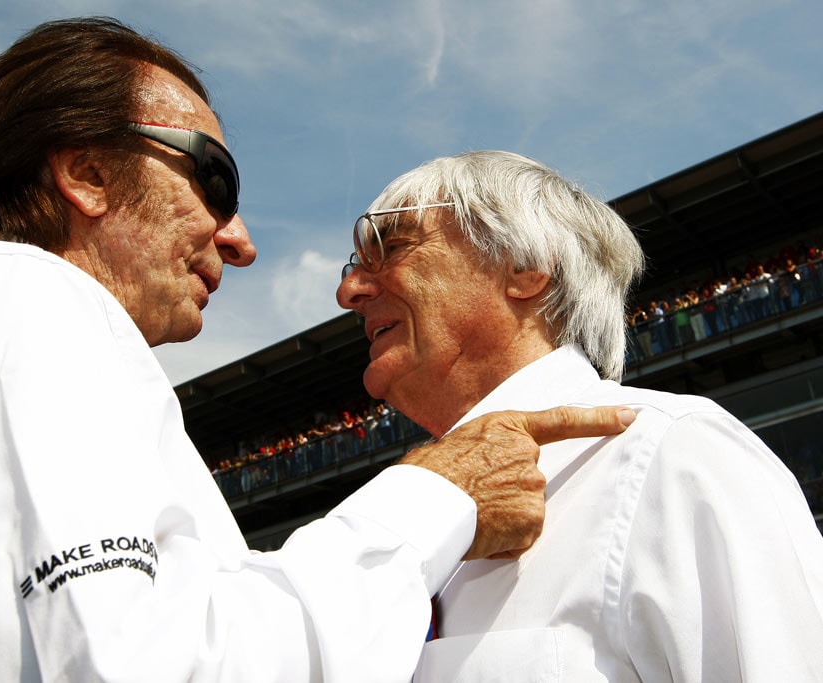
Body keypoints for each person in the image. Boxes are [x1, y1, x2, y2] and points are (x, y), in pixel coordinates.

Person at [0, 19, 633, 683]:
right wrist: (431, 502)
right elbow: (122, 668)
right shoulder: (15, 292)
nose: (239, 239)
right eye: (215, 180)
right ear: (86, 174)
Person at [336, 151, 823, 681]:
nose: (349, 291)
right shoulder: (393, 512)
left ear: (525, 267)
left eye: (391, 247)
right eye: (355, 265)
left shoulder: (672, 453)